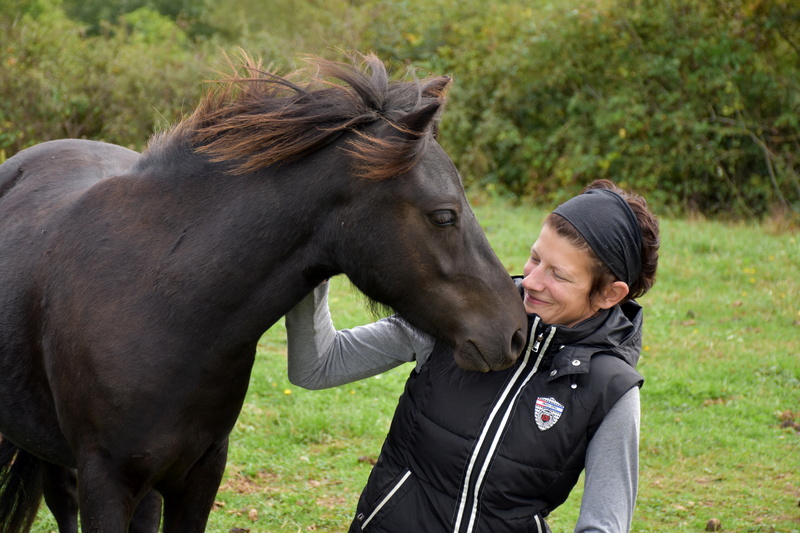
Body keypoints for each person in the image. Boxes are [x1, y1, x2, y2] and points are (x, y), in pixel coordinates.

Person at [285, 179, 660, 533]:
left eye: (558, 276)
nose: (530, 281)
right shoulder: (460, 314)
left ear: (610, 294)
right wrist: (314, 270)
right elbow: (318, 366)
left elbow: (604, 525)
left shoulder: (612, 390)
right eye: (535, 258)